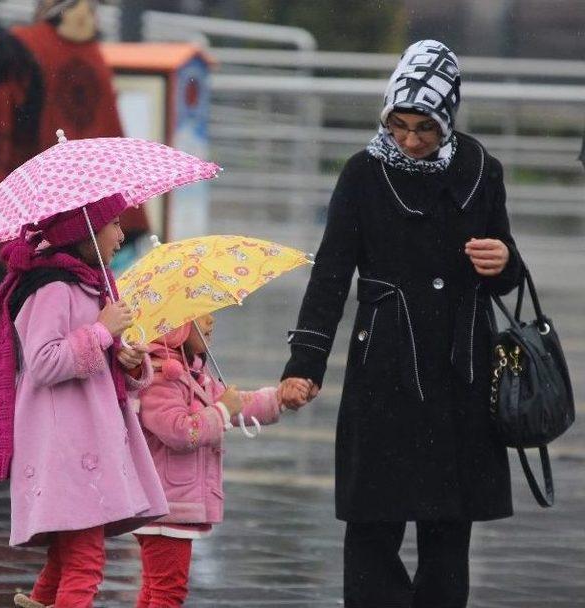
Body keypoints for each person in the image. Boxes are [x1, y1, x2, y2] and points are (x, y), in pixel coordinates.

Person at [279, 40, 523, 608]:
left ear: (448, 119)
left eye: (425, 128)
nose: (410, 140)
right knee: (372, 524)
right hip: (384, 368)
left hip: (462, 368)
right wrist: (304, 365)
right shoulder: (363, 174)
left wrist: (504, 262)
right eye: (399, 125)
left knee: (448, 529)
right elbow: (331, 275)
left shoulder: (482, 169)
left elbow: (507, 269)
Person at [0, 0, 148, 428]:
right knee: (19, 306)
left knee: (64, 310)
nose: (94, 14)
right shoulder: (21, 51)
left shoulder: (85, 54)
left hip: (71, 208)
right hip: (30, 208)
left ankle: (7, 394)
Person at [0, 193, 167, 608]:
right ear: (86, 229)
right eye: (115, 224)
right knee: (85, 562)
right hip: (65, 447)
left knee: (67, 559)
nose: (122, 234)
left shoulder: (90, 284)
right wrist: (102, 332)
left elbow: (98, 366)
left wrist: (128, 359)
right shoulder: (51, 288)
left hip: (87, 442)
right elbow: (45, 361)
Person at [133, 313, 297, 607]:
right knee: (168, 592)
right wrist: (220, 411)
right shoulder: (160, 377)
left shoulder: (193, 371)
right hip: (167, 504)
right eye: (199, 315)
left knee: (155, 588)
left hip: (172, 503)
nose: (211, 321)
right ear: (175, 327)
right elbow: (181, 432)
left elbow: (236, 404)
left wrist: (277, 400)